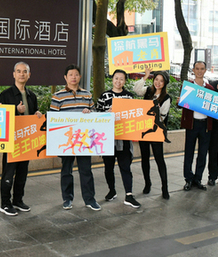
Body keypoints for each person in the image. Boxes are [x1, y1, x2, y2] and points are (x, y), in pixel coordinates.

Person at [50, 64, 101, 211]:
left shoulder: (87, 95)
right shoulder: (58, 96)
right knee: (66, 170)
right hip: (66, 140)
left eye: (76, 74)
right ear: (65, 77)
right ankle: (67, 199)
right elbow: (53, 119)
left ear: (80, 77)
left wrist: (89, 112)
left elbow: (94, 113)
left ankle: (90, 199)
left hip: (84, 139)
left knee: (86, 170)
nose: (74, 77)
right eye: (70, 75)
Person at [0, 62, 42, 216]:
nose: (21, 74)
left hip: (26, 141)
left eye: (24, 71)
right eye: (18, 71)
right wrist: (15, 110)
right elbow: (0, 115)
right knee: (8, 173)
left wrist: (37, 115)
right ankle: (5, 203)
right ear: (14, 74)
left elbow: (33, 114)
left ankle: (18, 200)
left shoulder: (31, 95)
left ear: (29, 75)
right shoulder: (5, 94)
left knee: (22, 173)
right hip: (11, 141)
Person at [97, 69, 140, 208]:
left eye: (121, 79)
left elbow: (135, 115)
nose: (118, 81)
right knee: (108, 167)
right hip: (108, 138)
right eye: (116, 78)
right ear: (112, 79)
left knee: (125, 166)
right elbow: (97, 115)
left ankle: (129, 195)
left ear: (125, 81)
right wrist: (107, 113)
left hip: (124, 137)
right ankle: (112, 191)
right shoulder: (104, 96)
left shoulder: (129, 97)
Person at [133, 68, 172, 199]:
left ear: (165, 83)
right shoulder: (148, 91)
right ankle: (147, 183)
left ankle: (164, 187)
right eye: (156, 79)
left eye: (161, 81)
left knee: (159, 159)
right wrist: (145, 77)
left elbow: (163, 116)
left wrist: (157, 111)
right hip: (144, 130)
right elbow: (136, 90)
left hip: (156, 131)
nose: (158, 83)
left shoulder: (166, 98)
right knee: (144, 158)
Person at [181, 61, 214, 191]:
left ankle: (198, 179)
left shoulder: (210, 88)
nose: (199, 71)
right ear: (193, 70)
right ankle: (188, 179)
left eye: (202, 69)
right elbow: (181, 104)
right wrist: (179, 101)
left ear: (205, 70)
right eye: (197, 68)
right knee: (188, 153)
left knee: (202, 153)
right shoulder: (188, 86)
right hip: (192, 124)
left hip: (205, 125)